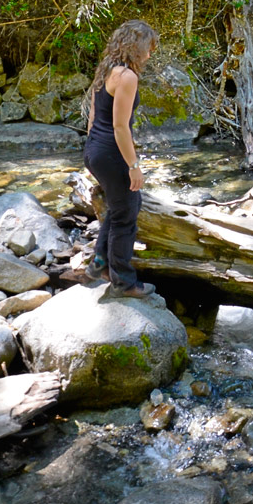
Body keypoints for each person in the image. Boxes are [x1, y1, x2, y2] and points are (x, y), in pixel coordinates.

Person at [83, 19, 159, 298]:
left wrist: (93, 153)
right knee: (127, 213)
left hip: (93, 150)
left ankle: (99, 263)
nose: (149, 55)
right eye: (148, 49)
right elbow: (119, 127)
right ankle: (124, 282)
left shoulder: (105, 70)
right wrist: (134, 166)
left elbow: (93, 116)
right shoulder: (127, 77)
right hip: (109, 152)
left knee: (117, 208)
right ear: (136, 48)